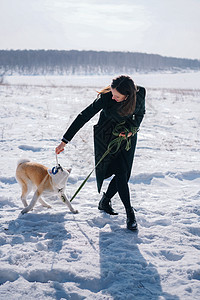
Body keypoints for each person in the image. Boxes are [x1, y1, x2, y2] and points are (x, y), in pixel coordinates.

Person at [55, 75, 146, 231]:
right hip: (106, 136)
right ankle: (130, 214)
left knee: (124, 175)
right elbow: (84, 116)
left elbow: (139, 116)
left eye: (117, 96)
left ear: (128, 95)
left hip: (127, 137)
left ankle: (105, 201)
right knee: (121, 173)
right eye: (112, 93)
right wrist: (65, 140)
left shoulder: (140, 94)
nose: (113, 97)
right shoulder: (106, 98)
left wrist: (131, 130)